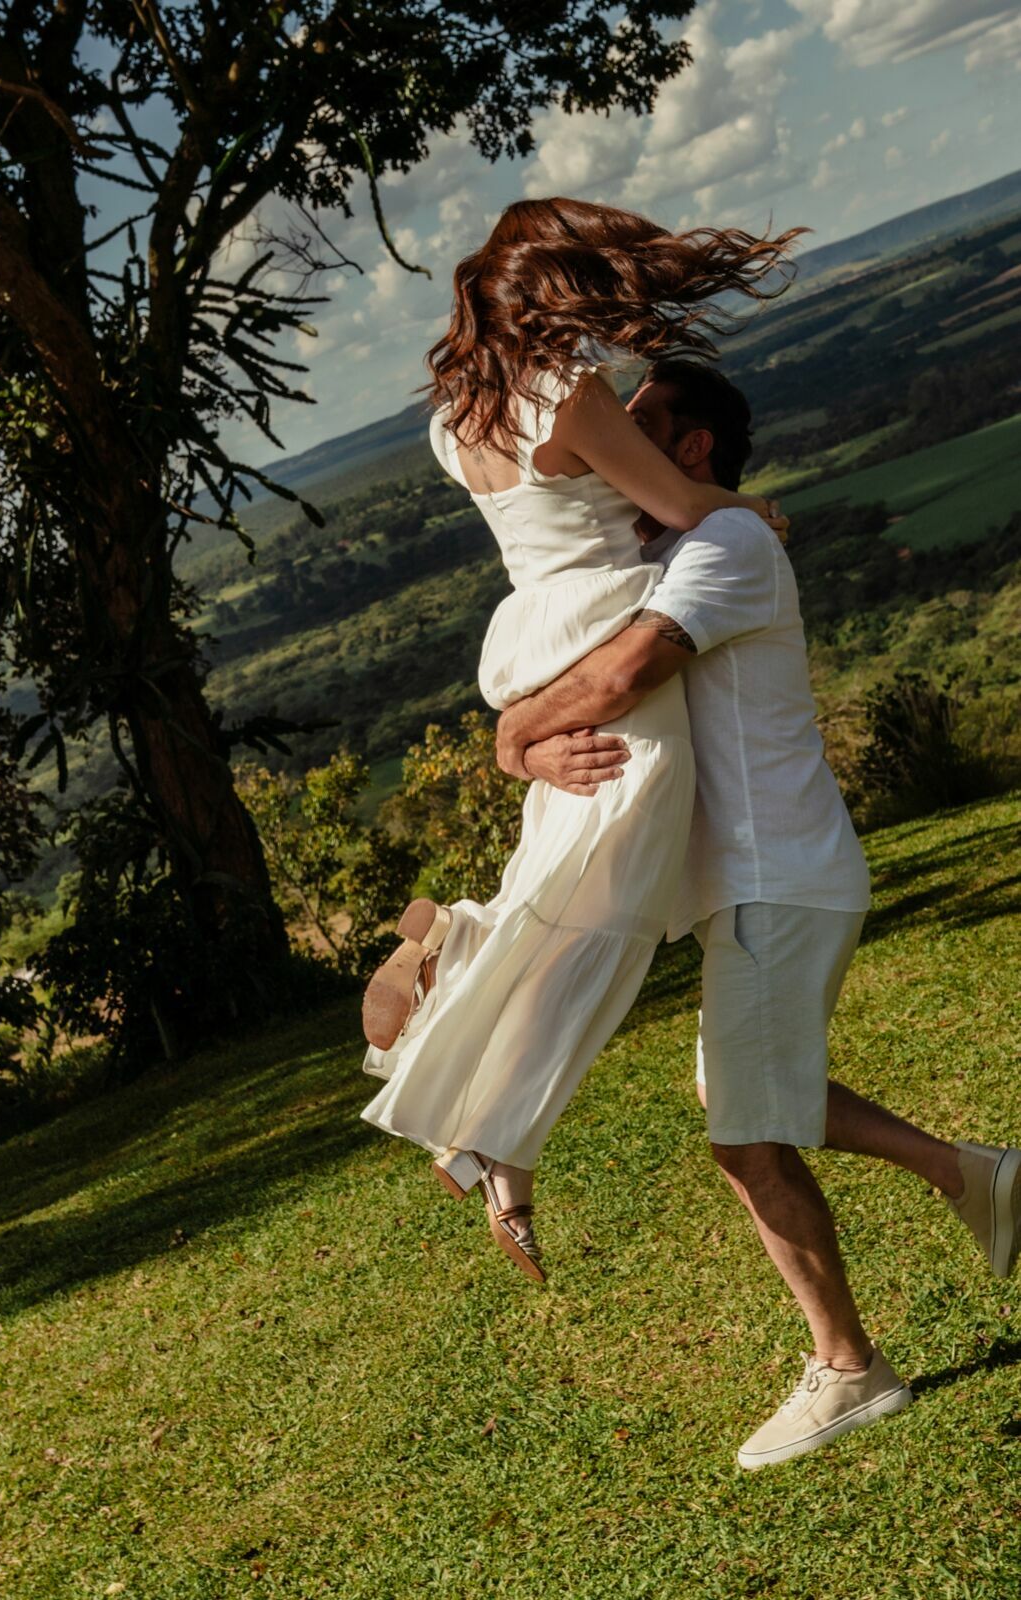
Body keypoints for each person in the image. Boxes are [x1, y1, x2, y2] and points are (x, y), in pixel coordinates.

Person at [494, 356, 1021, 1466]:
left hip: (774, 877)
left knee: (742, 1135)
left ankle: (847, 1368)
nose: (605, 449)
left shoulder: (723, 548)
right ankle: (968, 1175)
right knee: (731, 1092)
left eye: (633, 428)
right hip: (760, 880)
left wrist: (511, 736)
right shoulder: (659, 549)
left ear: (688, 452)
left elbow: (622, 675)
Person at [359, 198, 798, 1283]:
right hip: (609, 624)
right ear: (555, 284)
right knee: (613, 909)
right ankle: (464, 971)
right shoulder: (570, 391)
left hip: (538, 638)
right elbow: (674, 501)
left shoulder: (454, 414)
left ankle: (494, 1127)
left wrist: (517, 738)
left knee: (569, 884)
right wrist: (754, 510)